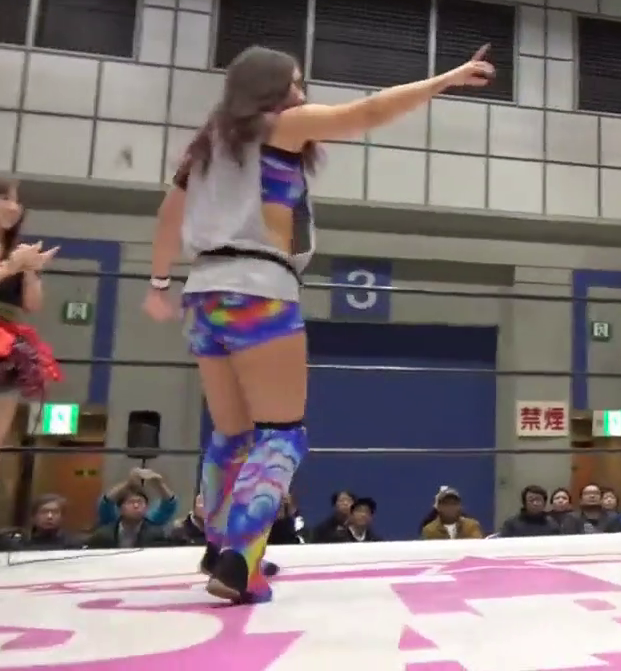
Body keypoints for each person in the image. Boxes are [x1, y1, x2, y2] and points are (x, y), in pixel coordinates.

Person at [142, 44, 495, 603]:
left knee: (232, 434)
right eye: (295, 83)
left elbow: (168, 216)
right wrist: (444, 80)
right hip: (259, 287)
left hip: (204, 290)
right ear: (269, 90)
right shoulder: (278, 126)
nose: (302, 93)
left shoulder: (208, 146)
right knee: (282, 433)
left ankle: (220, 545)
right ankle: (239, 562)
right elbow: (367, 112)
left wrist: (159, 283)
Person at [0, 181, 60, 444]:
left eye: (16, 200)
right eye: (4, 198)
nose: (14, 207)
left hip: (8, 346)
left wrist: (30, 270)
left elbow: (33, 305)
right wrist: (12, 267)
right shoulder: (14, 258)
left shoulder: (17, 250)